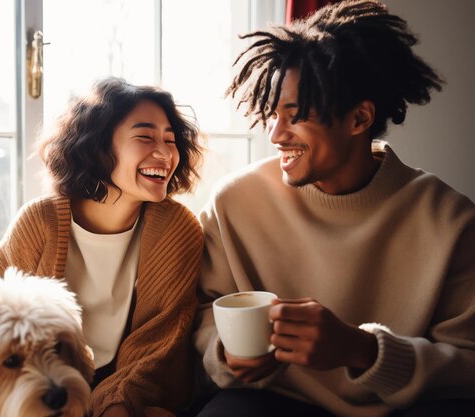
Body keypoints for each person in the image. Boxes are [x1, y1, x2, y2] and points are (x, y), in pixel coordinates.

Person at [193, 1, 475, 416]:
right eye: (272, 114)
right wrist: (225, 352)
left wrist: (363, 350)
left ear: (359, 119)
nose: (275, 134)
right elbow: (203, 311)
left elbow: (468, 362)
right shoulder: (234, 201)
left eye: (295, 116)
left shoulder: (449, 219)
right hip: (271, 399)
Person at [0, 77, 204, 417]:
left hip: (129, 390)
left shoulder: (178, 229)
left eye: (170, 139)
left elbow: (162, 345)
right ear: (99, 147)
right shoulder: (38, 223)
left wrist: (114, 404)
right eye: (145, 136)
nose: (165, 153)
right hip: (43, 389)